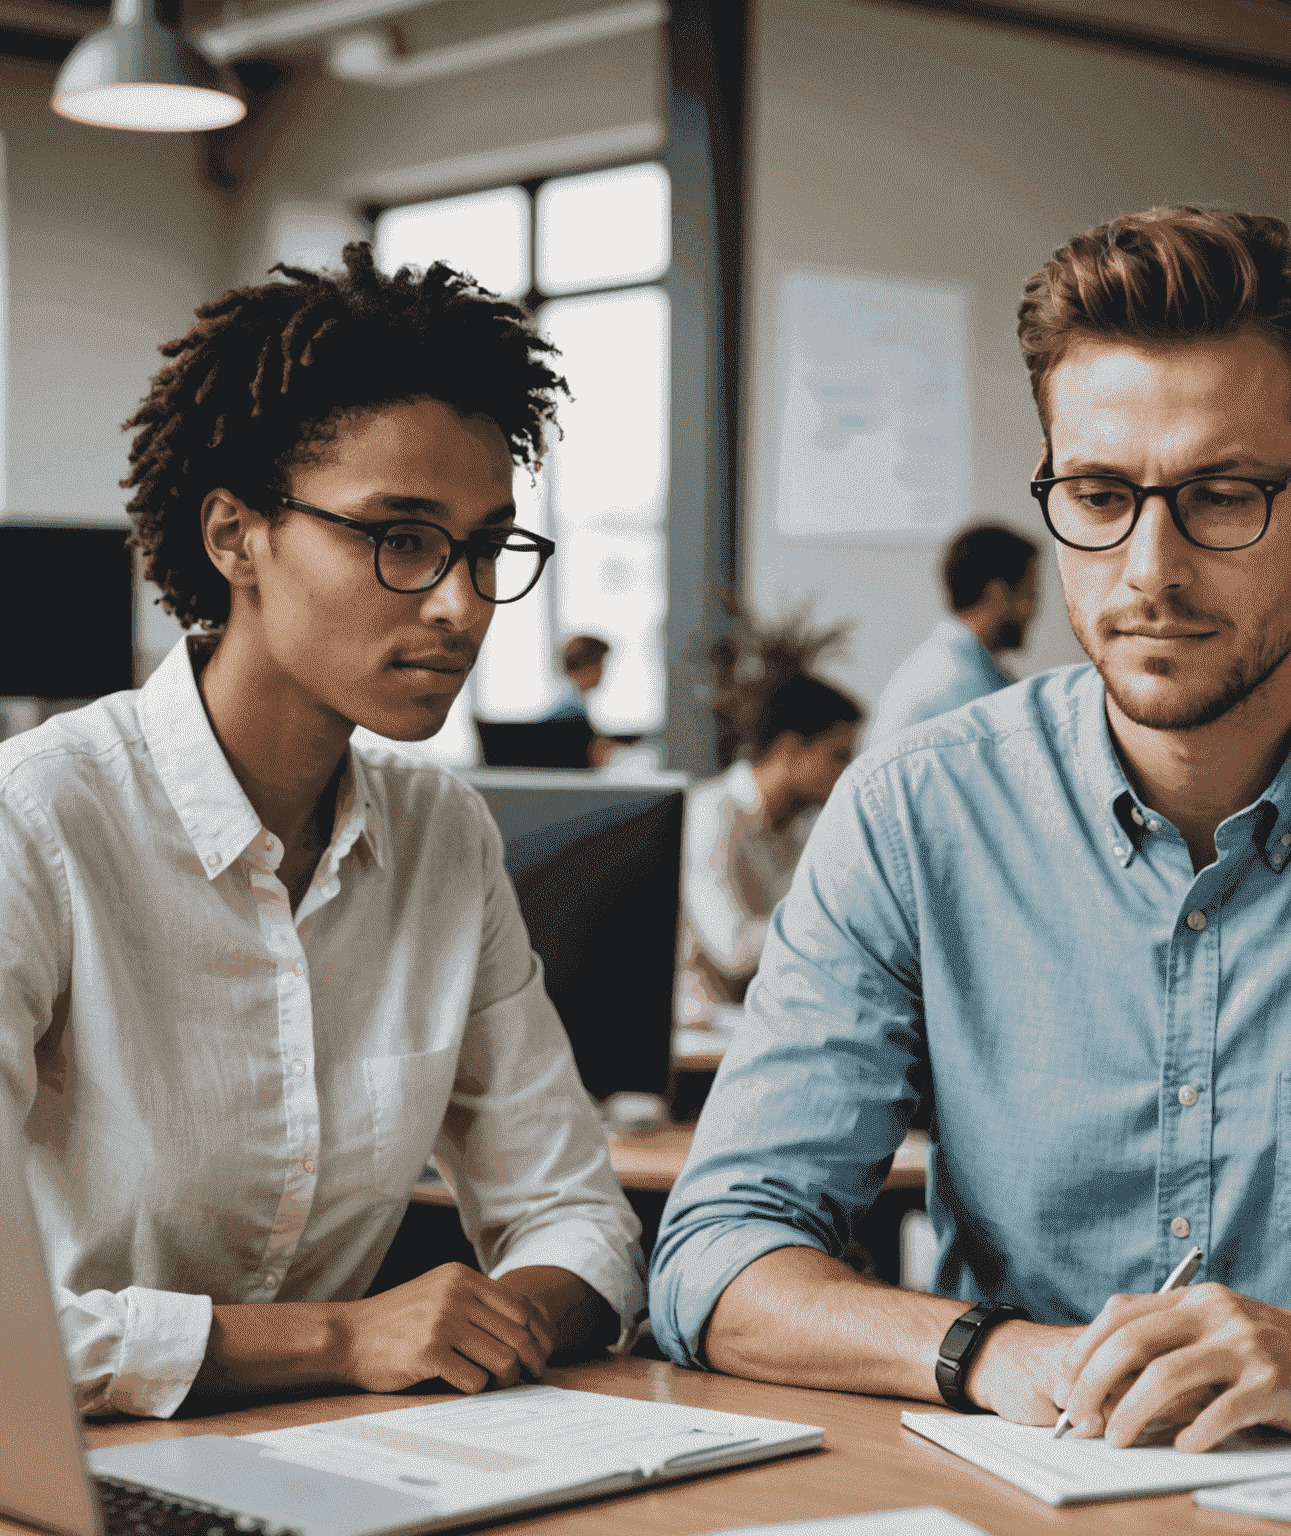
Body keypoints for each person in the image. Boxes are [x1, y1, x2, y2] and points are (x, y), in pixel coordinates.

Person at [650, 206, 1291, 1448]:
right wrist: (994, 1355)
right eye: (1100, 495)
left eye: (1223, 496)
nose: (1148, 569)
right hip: (1014, 1488)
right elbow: (718, 1254)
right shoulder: (915, 815)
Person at [0, 244, 644, 1420]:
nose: (462, 603)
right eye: (401, 537)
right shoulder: (37, 823)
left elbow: (577, 1218)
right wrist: (338, 1338)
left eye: (489, 545)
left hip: (331, 1469)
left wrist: (499, 1320)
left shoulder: (444, 837)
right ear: (235, 535)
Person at [677, 610, 863, 1025]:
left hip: (765, 1020)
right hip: (703, 1030)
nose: (848, 773)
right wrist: (832, 920)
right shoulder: (712, 815)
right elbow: (733, 948)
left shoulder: (801, 830)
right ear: (789, 750)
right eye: (838, 756)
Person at [868, 524, 1039, 743]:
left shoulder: (952, 662)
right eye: (1031, 594)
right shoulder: (962, 683)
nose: (1033, 610)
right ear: (998, 594)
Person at [543, 634, 610, 722]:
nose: (601, 672)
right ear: (588, 667)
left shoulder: (569, 702)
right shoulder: (573, 712)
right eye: (599, 664)